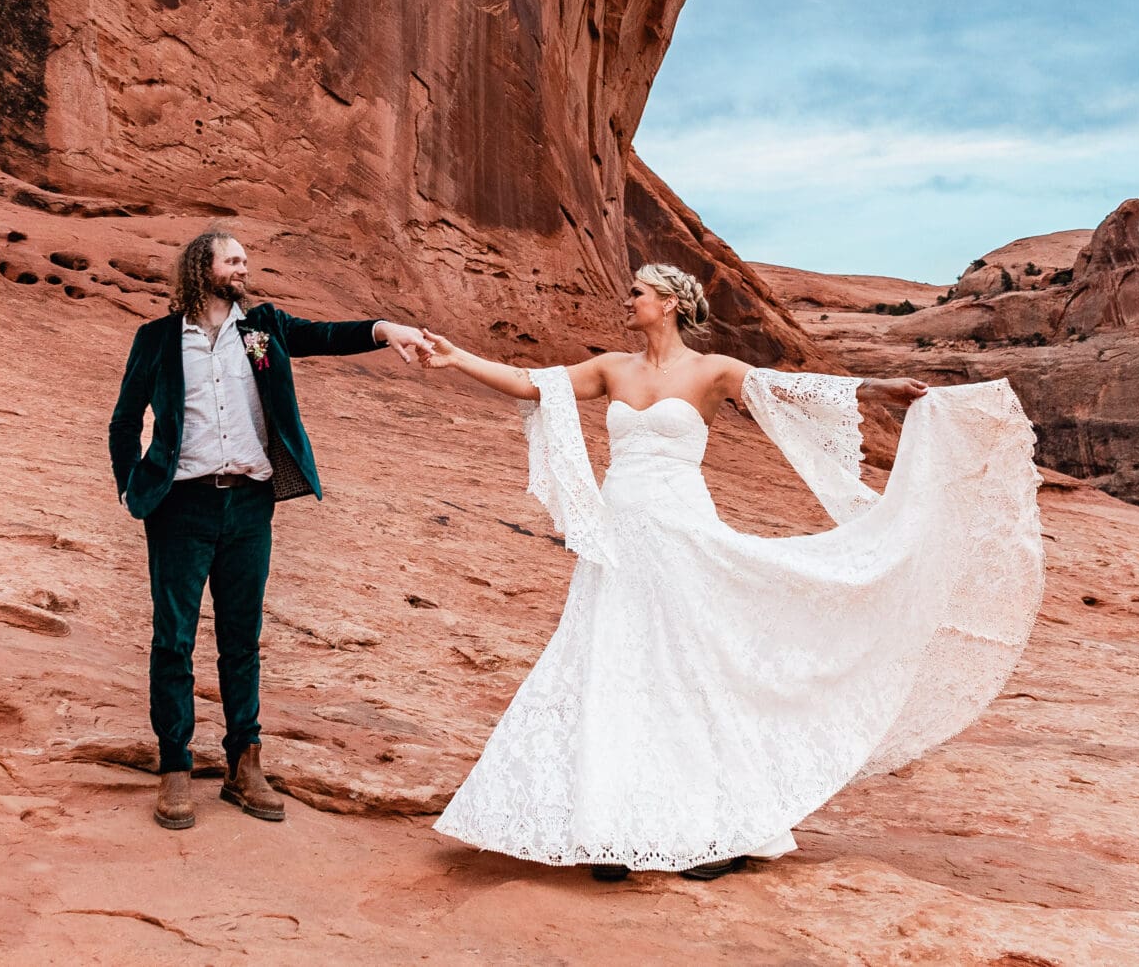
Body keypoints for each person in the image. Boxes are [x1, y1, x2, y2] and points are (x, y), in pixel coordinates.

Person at [421, 263, 1042, 879]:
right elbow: (533, 383)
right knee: (610, 663)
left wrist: (878, 388)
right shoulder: (613, 366)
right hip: (619, 539)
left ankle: (729, 828)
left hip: (682, 531)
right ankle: (608, 828)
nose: (627, 301)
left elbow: (792, 389)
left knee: (695, 669)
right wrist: (458, 358)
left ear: (668, 302)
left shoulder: (712, 371)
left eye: (637, 293)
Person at [109, 224, 431, 830]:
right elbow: (125, 422)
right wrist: (133, 487)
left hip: (250, 506)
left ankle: (243, 764)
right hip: (179, 508)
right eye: (233, 259)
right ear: (201, 267)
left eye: (245, 260)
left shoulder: (263, 329)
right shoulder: (154, 340)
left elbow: (326, 336)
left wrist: (387, 330)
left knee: (241, 638)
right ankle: (175, 766)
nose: (243, 267)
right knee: (172, 639)